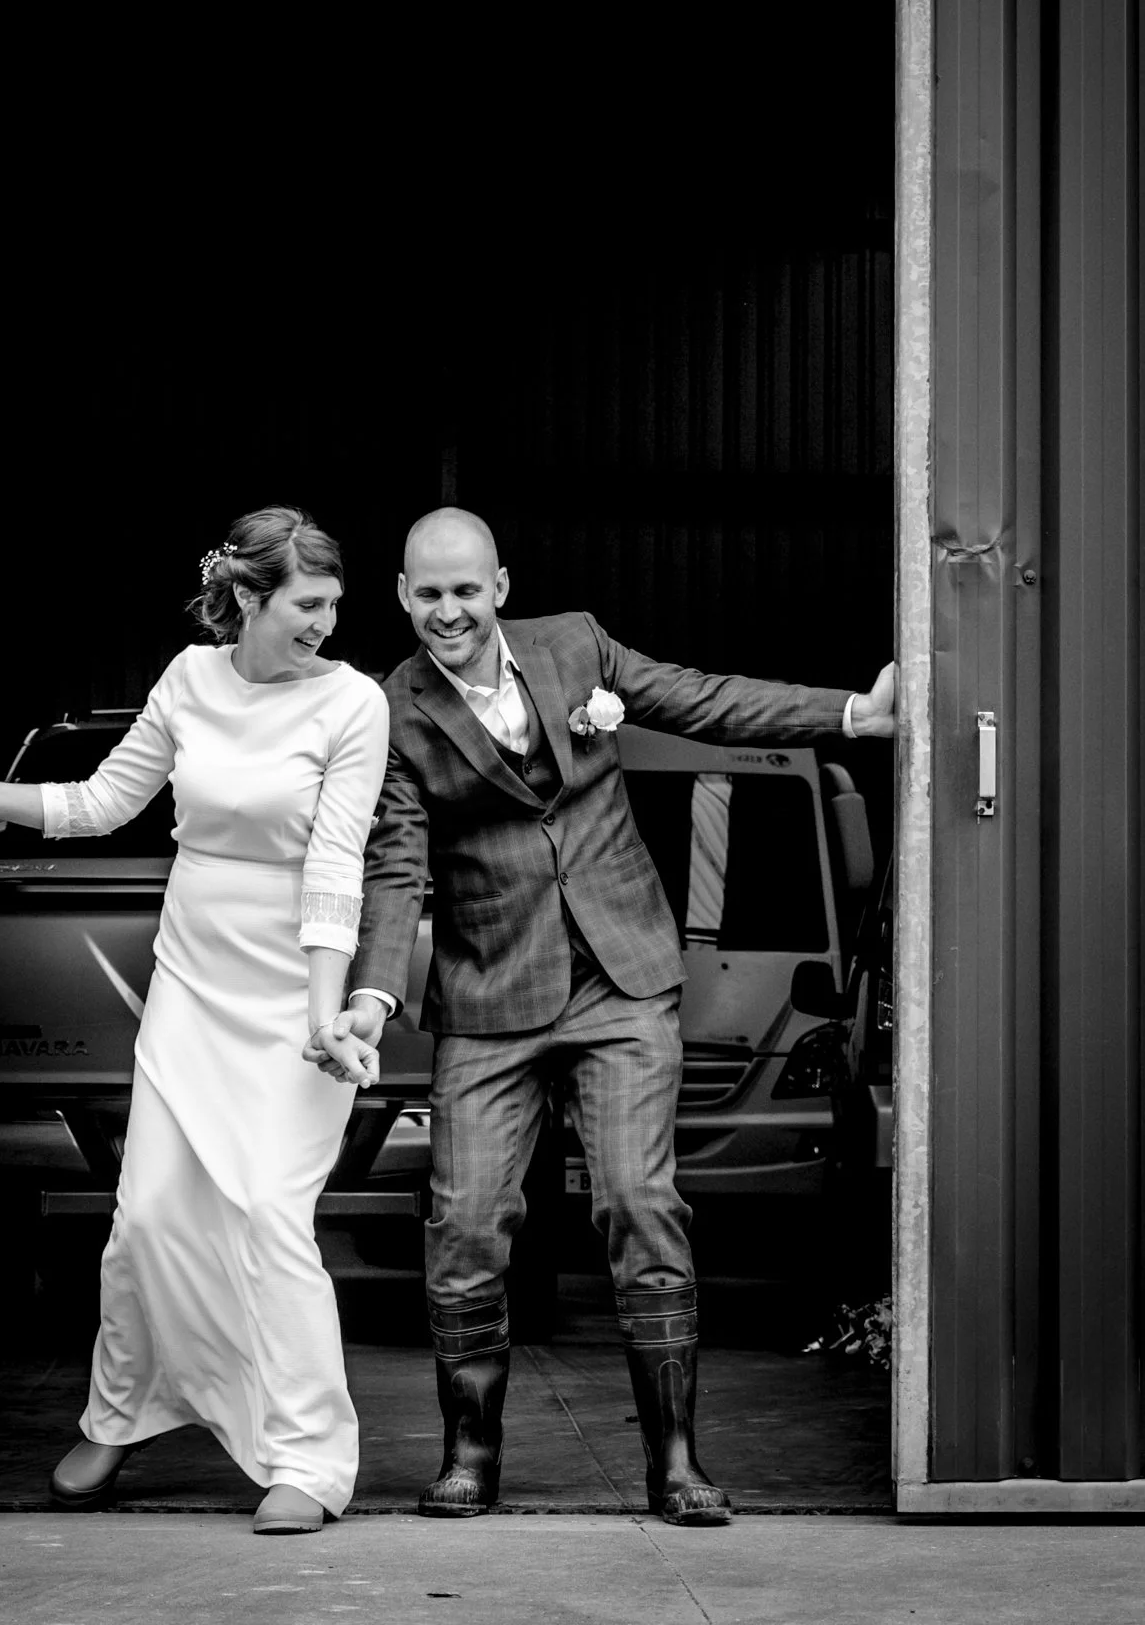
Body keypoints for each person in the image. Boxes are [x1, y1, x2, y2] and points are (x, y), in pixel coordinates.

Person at [310, 508, 894, 1527]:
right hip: (490, 992)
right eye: (428, 593)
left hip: (620, 975)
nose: (449, 610)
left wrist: (852, 714)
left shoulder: (574, 644)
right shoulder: (387, 708)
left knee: (638, 1200)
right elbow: (394, 861)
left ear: (499, 585)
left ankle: (675, 1461)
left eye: (466, 589)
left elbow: (700, 698)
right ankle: (469, 1453)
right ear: (401, 596)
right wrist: (371, 995)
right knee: (465, 1218)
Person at [0, 506, 389, 1536]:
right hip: (190, 983)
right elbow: (100, 804)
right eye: (306, 604)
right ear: (248, 598)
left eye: (332, 604)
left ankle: (308, 1458)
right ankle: (120, 1415)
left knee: (269, 1215)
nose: (325, 624)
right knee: (146, 1216)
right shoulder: (188, 679)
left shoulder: (353, 702)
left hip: (293, 993)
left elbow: (336, 864)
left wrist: (323, 1014)